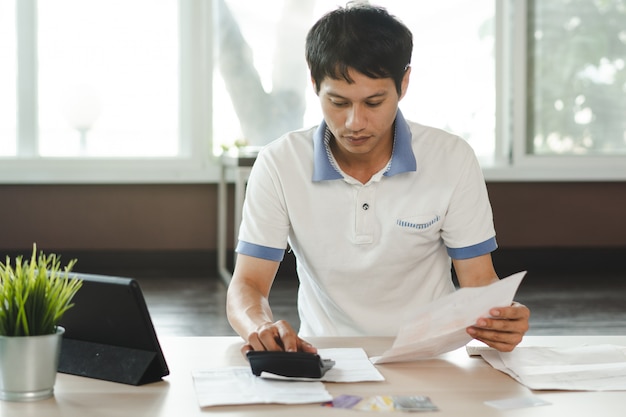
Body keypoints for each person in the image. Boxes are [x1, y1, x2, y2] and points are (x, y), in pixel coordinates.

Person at [226, 4, 530, 355]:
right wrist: (258, 326)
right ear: (314, 83)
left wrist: (502, 319)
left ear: (404, 83)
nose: (355, 122)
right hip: (326, 355)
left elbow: (479, 281)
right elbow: (247, 283)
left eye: (374, 102)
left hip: (431, 356)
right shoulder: (280, 162)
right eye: (338, 102)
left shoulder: (452, 158)